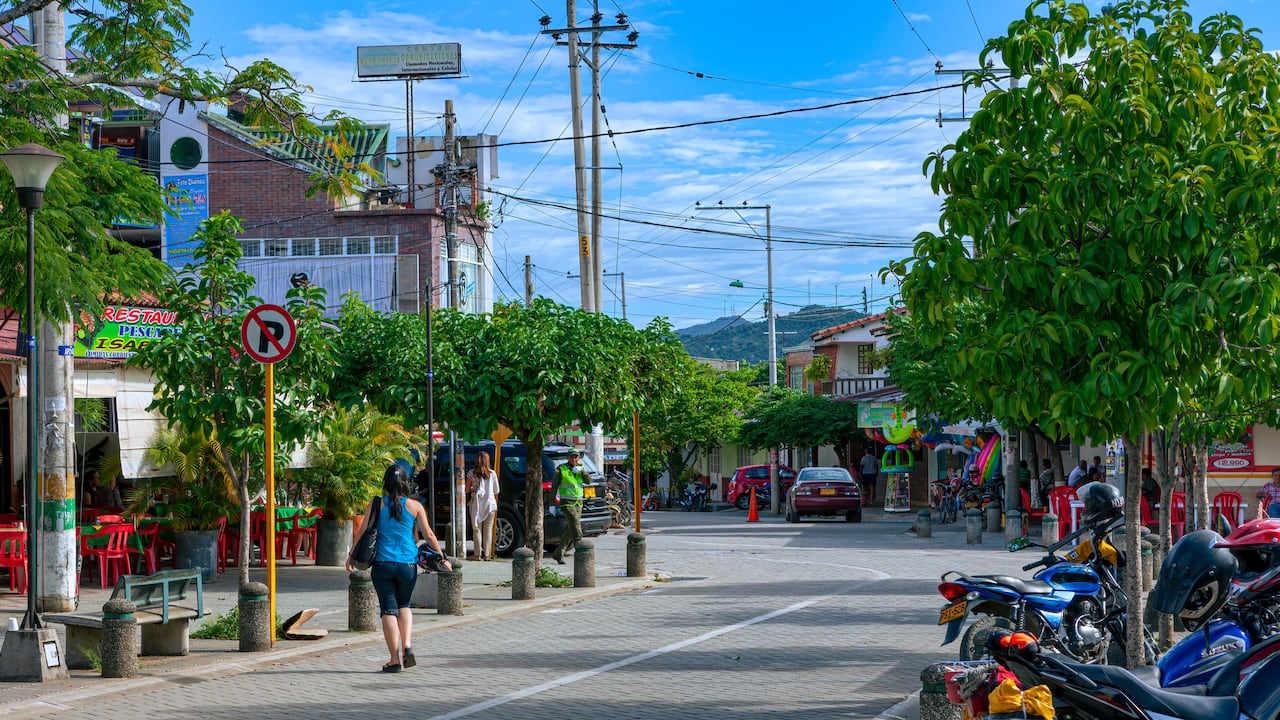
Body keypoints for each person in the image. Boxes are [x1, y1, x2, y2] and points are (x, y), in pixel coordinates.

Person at [348, 464, 449, 673]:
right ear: (406, 483)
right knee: (404, 605)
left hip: (383, 565)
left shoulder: (377, 504)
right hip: (408, 565)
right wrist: (442, 557)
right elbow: (429, 535)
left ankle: (394, 660)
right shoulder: (415, 506)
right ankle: (407, 645)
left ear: (386, 482)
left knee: (388, 610)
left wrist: (351, 556)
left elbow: (363, 530)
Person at [549, 449, 588, 565]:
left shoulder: (581, 467)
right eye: (572, 457)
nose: (574, 459)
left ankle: (558, 553)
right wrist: (551, 504)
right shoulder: (561, 469)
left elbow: (588, 480)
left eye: (576, 457)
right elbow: (554, 487)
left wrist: (582, 471)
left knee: (570, 529)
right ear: (568, 457)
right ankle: (581, 550)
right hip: (567, 502)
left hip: (578, 502)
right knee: (576, 526)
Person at [467, 451, 500, 561]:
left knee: (476, 529)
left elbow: (466, 489)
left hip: (475, 504)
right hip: (490, 505)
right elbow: (497, 490)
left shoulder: (471, 473)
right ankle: (487, 555)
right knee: (488, 529)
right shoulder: (492, 474)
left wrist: (473, 489)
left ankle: (477, 555)